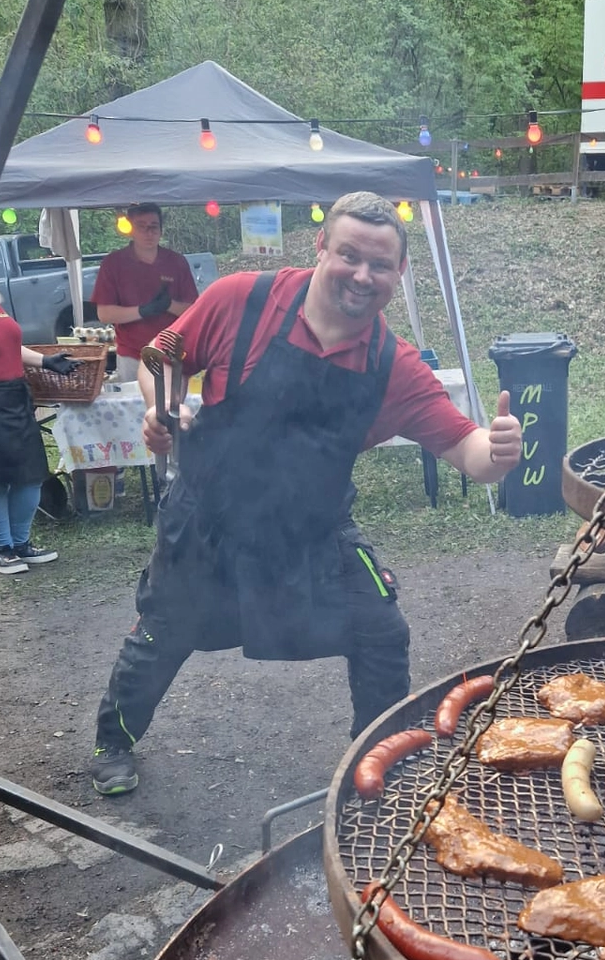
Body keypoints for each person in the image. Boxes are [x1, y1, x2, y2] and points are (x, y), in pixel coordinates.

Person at [90, 191, 523, 795]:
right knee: (162, 634)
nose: (362, 275)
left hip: (310, 531)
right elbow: (162, 355)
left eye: (380, 265)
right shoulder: (242, 299)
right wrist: (163, 405)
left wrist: (497, 451)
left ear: (399, 274)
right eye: (349, 255)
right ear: (321, 248)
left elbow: (469, 453)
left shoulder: (391, 364)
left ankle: (375, 762)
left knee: (380, 632)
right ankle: (114, 741)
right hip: (207, 519)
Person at [0, 248, 79, 573]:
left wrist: (46, 360)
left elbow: (10, 346)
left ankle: (22, 543)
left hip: (14, 396)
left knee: (31, 473)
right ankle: (2, 549)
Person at [90, 203, 199, 381]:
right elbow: (104, 314)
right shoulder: (113, 263)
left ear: (161, 230)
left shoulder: (176, 262)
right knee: (135, 407)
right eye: (142, 226)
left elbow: (194, 311)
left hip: (172, 353)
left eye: (154, 227)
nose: (149, 232)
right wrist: (143, 311)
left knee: (173, 406)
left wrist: (169, 305)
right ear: (131, 229)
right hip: (132, 354)